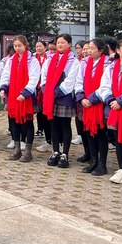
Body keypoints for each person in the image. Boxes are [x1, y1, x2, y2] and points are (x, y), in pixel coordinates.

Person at [0, 35, 40, 162]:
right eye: (15, 46)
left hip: (26, 96)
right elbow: (6, 75)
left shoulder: (32, 61)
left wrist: (26, 92)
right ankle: (17, 148)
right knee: (14, 122)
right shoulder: (11, 60)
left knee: (27, 122)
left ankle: (28, 151)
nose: (17, 48)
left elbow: (34, 78)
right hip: (13, 95)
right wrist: (3, 88)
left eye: (19, 46)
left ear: (25, 45)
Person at [42, 33, 80, 169]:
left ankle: (65, 154)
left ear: (69, 44)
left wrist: (57, 92)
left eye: (63, 42)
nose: (60, 45)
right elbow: (44, 76)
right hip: (50, 97)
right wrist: (46, 89)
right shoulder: (50, 59)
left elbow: (71, 80)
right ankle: (55, 151)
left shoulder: (73, 61)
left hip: (64, 97)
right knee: (54, 125)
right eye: (58, 43)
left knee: (65, 125)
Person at [75, 38, 110, 175]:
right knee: (89, 132)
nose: (88, 51)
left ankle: (102, 164)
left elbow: (106, 85)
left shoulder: (108, 64)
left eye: (92, 48)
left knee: (101, 134)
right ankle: (93, 161)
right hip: (86, 104)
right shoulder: (84, 63)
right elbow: (78, 82)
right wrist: (81, 98)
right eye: (87, 48)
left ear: (101, 51)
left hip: (99, 104)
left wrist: (92, 99)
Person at [99, 39, 122, 184]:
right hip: (115, 108)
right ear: (119, 50)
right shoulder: (112, 67)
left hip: (121, 105)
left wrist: (121, 101)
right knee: (118, 138)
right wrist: (110, 100)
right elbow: (104, 85)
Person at [35, 40, 53, 153]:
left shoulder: (49, 58)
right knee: (40, 114)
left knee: (49, 117)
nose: (38, 48)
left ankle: (53, 141)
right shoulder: (32, 59)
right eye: (36, 47)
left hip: (47, 90)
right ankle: (46, 138)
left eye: (40, 46)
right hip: (37, 90)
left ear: (45, 48)